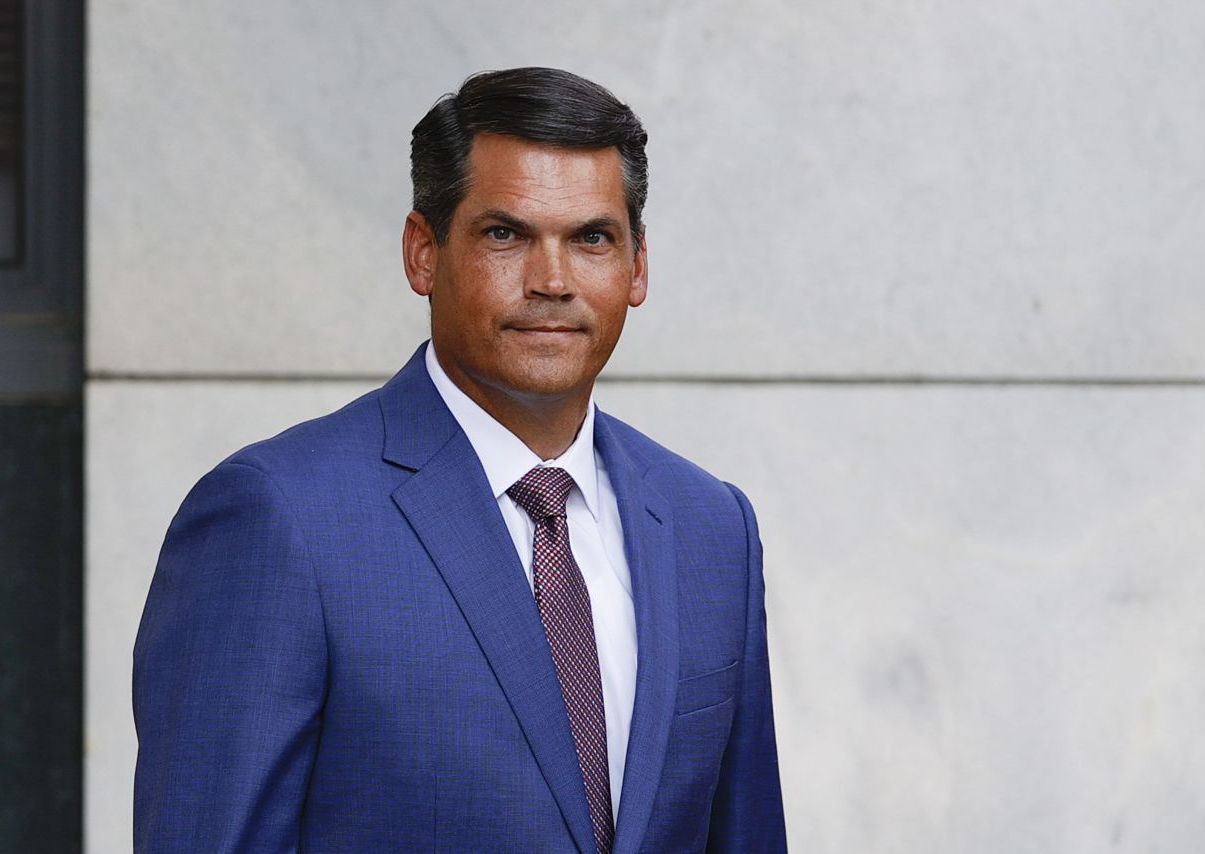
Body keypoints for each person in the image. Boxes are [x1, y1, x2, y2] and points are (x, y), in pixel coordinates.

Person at [133, 66, 786, 853]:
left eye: (591, 238)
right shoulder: (281, 518)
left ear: (637, 266)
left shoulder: (710, 527)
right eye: (506, 234)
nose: (552, 281)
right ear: (422, 253)